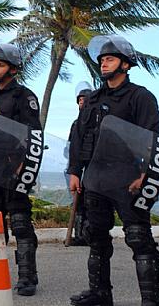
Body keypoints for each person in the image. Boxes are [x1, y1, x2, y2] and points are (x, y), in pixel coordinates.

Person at [68, 35, 159, 306]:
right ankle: (100, 293)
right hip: (96, 178)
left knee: (138, 238)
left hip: (128, 178)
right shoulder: (93, 99)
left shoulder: (140, 97)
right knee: (95, 237)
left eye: (109, 59)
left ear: (126, 64)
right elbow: (79, 136)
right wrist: (75, 171)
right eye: (101, 60)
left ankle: (151, 299)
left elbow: (153, 137)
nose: (103, 64)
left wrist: (146, 172)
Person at [0, 44, 42, 296]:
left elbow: (33, 133)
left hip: (13, 169)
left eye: (0, 65)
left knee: (21, 222)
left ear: (13, 69)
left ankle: (27, 277)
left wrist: (24, 163)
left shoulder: (24, 97)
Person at [64, 81, 93, 246]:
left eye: (85, 99)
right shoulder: (76, 124)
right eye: (80, 99)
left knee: (90, 203)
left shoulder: (97, 120)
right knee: (77, 202)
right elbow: (70, 145)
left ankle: (90, 235)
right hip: (76, 169)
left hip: (91, 170)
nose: (82, 102)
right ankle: (79, 235)